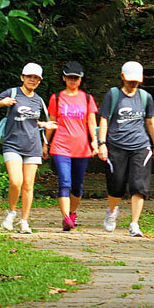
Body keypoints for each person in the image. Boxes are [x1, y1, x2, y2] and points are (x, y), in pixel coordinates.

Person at [0, 63, 56, 234]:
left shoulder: (39, 100)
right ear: (22, 77)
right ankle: (11, 213)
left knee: (28, 185)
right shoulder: (12, 93)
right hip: (12, 144)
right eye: (29, 77)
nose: (32, 80)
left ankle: (24, 221)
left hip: (33, 146)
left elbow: (39, 122)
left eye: (36, 78)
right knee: (16, 182)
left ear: (39, 81)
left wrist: (45, 134)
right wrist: (2, 103)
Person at [97, 60, 154, 237]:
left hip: (141, 146)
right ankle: (112, 212)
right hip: (116, 146)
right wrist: (101, 143)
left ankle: (134, 224)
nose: (133, 83)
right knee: (116, 185)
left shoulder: (145, 97)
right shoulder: (113, 94)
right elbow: (104, 119)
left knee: (138, 185)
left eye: (136, 80)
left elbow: (150, 122)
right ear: (122, 77)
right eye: (130, 79)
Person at [44, 61, 98, 231]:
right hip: (61, 146)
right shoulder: (57, 98)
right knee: (64, 182)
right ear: (64, 78)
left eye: (76, 78)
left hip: (81, 147)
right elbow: (51, 122)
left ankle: (72, 212)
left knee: (77, 185)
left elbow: (91, 122)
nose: (73, 81)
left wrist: (95, 142)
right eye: (70, 78)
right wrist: (45, 143)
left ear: (81, 79)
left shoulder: (87, 98)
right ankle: (66, 218)